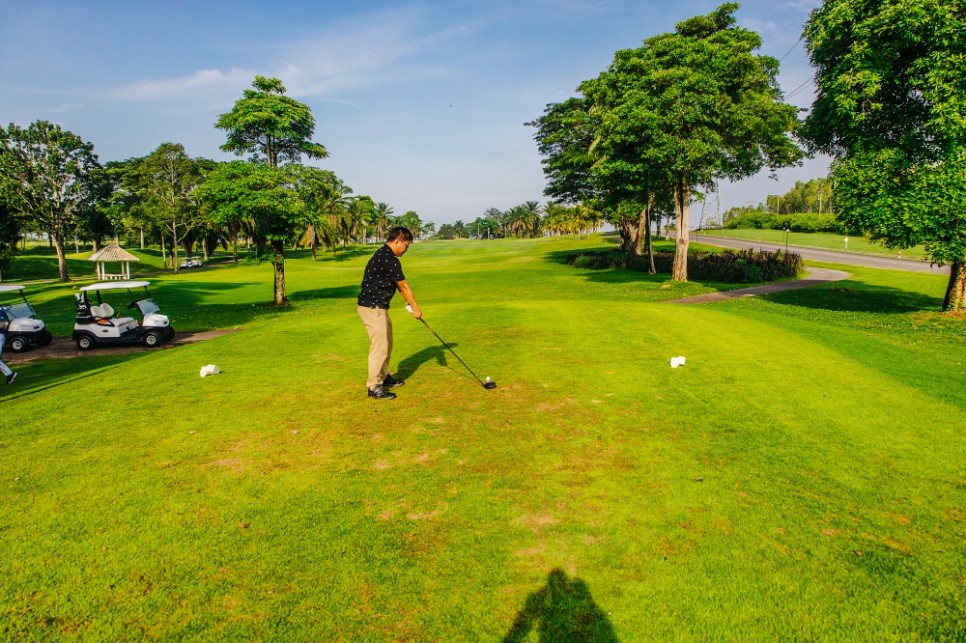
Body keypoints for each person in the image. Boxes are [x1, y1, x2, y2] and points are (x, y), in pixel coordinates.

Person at [357, 226, 422, 400]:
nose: (406, 250)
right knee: (380, 346)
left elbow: (400, 287)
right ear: (398, 240)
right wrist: (415, 308)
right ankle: (374, 386)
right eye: (406, 246)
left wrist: (411, 304)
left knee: (387, 342)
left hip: (378, 307)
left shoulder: (385, 255)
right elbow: (403, 286)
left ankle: (384, 377)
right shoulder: (389, 258)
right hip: (372, 307)